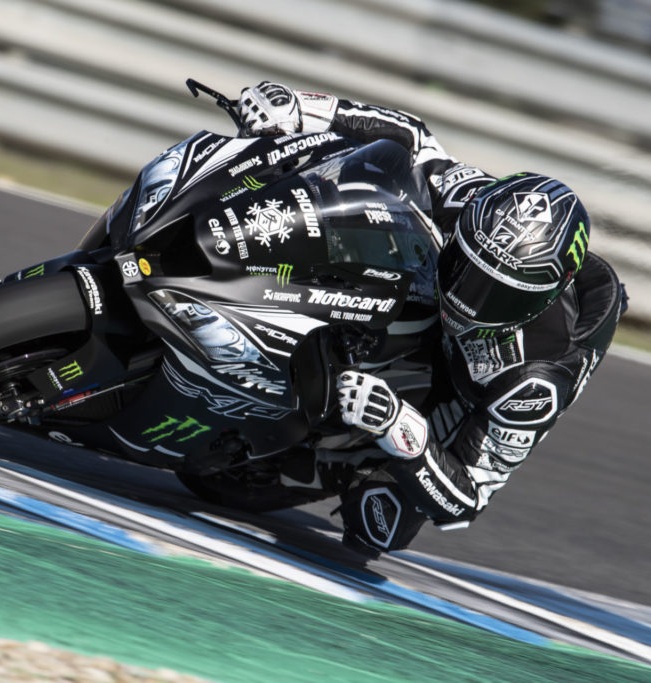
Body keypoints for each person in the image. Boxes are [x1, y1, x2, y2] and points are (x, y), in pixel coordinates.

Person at [237, 82, 627, 552]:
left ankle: (327, 460)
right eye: (467, 268)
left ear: (540, 298)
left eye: (497, 296)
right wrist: (304, 107)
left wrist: (400, 428)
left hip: (464, 390)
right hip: (427, 277)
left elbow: (470, 495)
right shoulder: (477, 206)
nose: (468, 299)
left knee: (379, 520)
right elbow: (413, 139)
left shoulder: (535, 379)